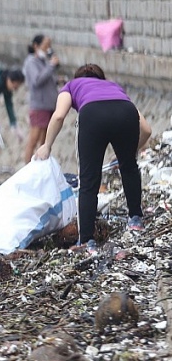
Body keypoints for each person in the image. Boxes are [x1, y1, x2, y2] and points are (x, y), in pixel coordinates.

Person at [35, 64, 151, 252]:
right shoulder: (114, 88)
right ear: (101, 78)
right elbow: (146, 129)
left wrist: (46, 146)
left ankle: (86, 241)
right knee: (129, 167)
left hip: (92, 115)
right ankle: (136, 219)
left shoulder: (71, 85)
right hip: (125, 111)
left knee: (88, 180)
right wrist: (127, 152)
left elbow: (58, 116)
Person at [22, 34, 60, 163]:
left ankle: (40, 166)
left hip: (49, 105)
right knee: (34, 138)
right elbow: (37, 80)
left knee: (44, 140)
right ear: (36, 46)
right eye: (45, 45)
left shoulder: (44, 61)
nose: (48, 48)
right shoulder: (31, 62)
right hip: (39, 105)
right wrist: (50, 66)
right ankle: (26, 167)